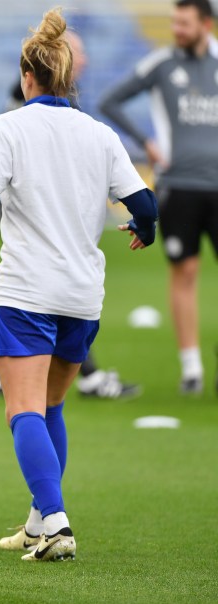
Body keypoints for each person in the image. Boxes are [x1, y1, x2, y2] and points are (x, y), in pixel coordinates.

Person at [0, 8, 158, 562]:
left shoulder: (7, 128)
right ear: (69, 77)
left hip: (26, 292)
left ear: (27, 77)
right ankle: (37, 518)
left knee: (22, 409)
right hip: (82, 294)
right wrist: (142, 230)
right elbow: (144, 202)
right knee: (51, 408)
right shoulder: (98, 134)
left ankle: (56, 522)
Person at [0, 30, 141, 400]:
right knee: (43, 280)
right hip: (31, 197)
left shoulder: (69, 110)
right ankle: (84, 376)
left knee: (35, 285)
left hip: (40, 203)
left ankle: (13, 371)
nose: (86, 61)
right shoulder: (28, 104)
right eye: (78, 53)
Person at [100, 0, 218, 395]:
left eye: (184, 23)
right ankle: (191, 368)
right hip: (178, 186)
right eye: (174, 22)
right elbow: (110, 101)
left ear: (205, 23)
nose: (177, 29)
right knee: (183, 273)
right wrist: (145, 141)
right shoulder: (161, 63)